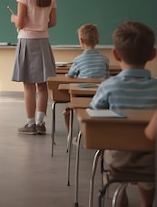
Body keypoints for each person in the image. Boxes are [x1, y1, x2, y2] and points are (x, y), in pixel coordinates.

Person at [90, 21, 157, 207]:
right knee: (148, 163)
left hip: (119, 161)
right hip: (153, 159)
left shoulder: (108, 86)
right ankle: (147, 204)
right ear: (153, 54)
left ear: (116, 54)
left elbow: (93, 113)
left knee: (108, 164)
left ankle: (119, 199)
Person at [11, 0, 57, 135]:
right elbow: (52, 22)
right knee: (42, 85)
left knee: (28, 85)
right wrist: (40, 24)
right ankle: (40, 123)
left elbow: (20, 23)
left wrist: (14, 19)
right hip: (43, 41)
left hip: (27, 42)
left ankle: (30, 124)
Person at [62, 23, 109, 131]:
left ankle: (72, 135)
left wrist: (67, 76)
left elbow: (70, 76)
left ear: (81, 41)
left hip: (81, 96)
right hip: (100, 96)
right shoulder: (105, 59)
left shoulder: (78, 60)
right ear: (97, 41)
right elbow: (106, 78)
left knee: (67, 111)